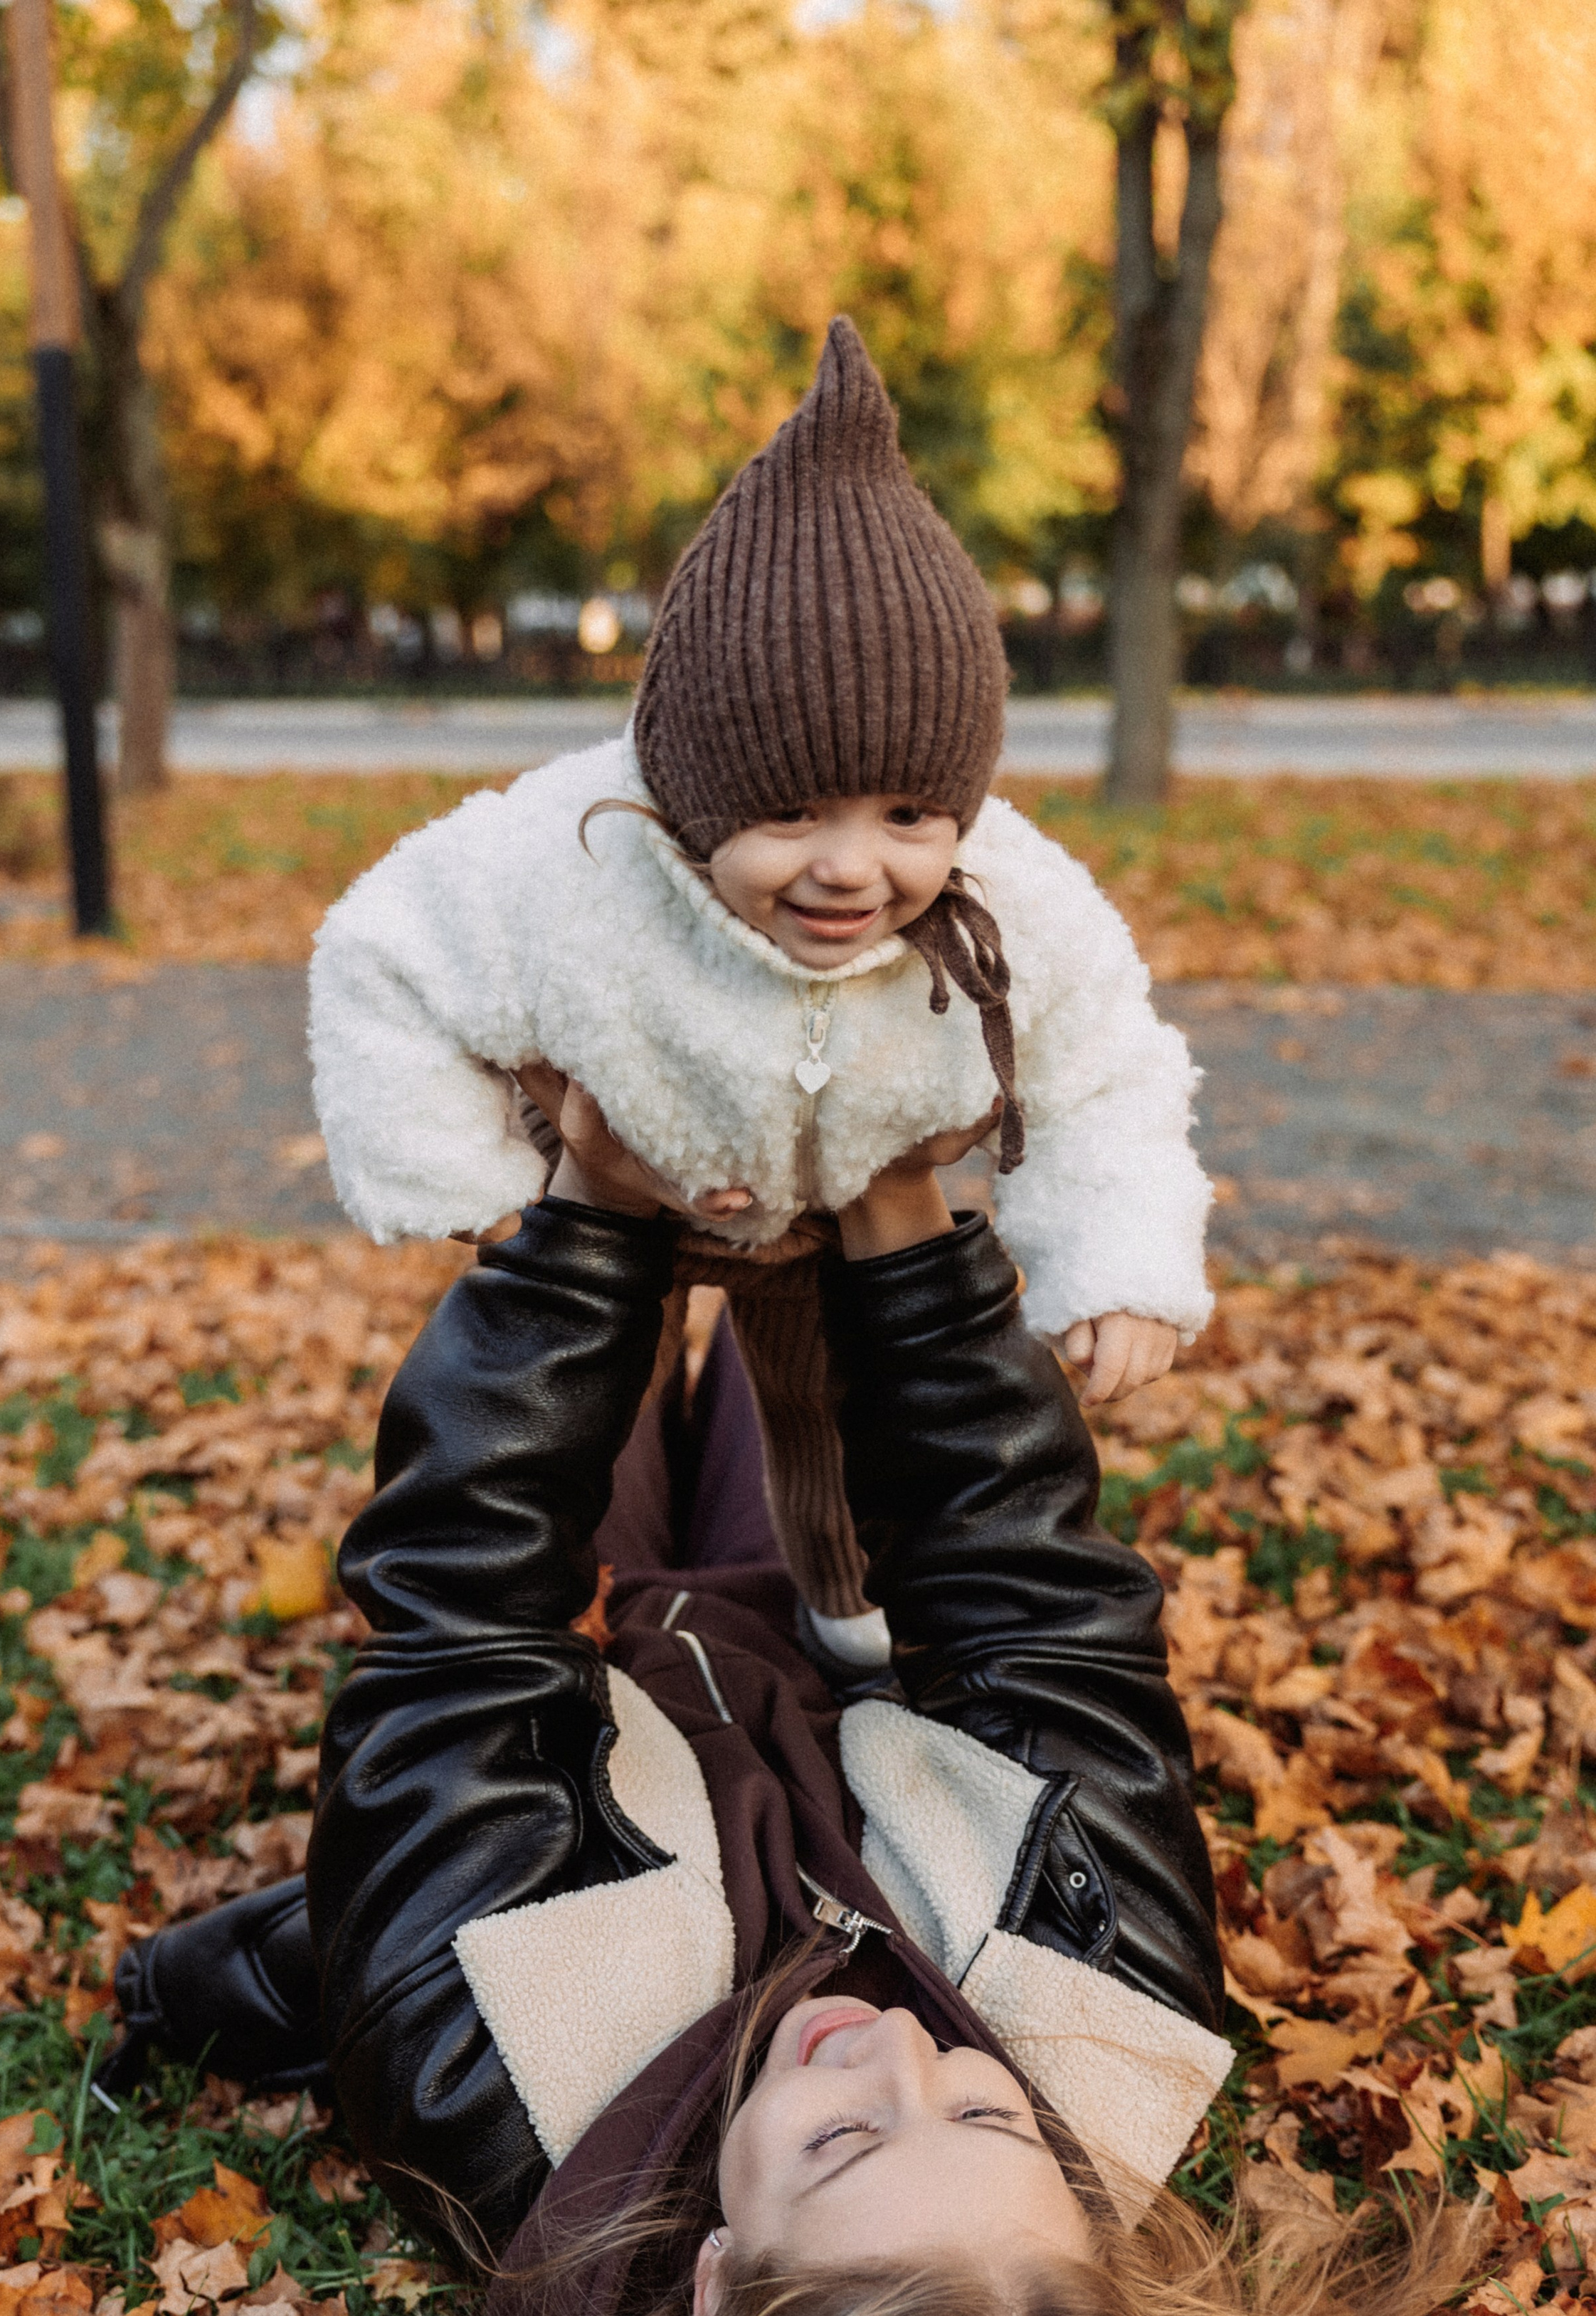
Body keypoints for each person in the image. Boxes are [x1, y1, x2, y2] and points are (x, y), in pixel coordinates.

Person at [110, 1105, 1474, 2316]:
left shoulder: (478, 2065)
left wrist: (599, 1212)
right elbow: (1031, 1603)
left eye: (838, 2147)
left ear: (711, 2283)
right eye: (985, 2126)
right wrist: (908, 1219)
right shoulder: (1120, 2015)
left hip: (578, 1670)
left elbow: (462, 1605)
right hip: (841, 1620)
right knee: (809, 1245)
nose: (893, 2059)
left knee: (578, 1290)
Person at [307, 317, 1213, 1680]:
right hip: (620, 1196)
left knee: (820, 1419)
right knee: (582, 1406)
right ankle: (554, 1636)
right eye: (790, 815)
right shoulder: (572, 852)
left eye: (911, 813)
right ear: (692, 789)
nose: (854, 868)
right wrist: (470, 1176)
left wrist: (1124, 1265)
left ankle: (846, 1628)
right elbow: (381, 952)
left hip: (836, 1220)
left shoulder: (1014, 893)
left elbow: (1108, 1071)